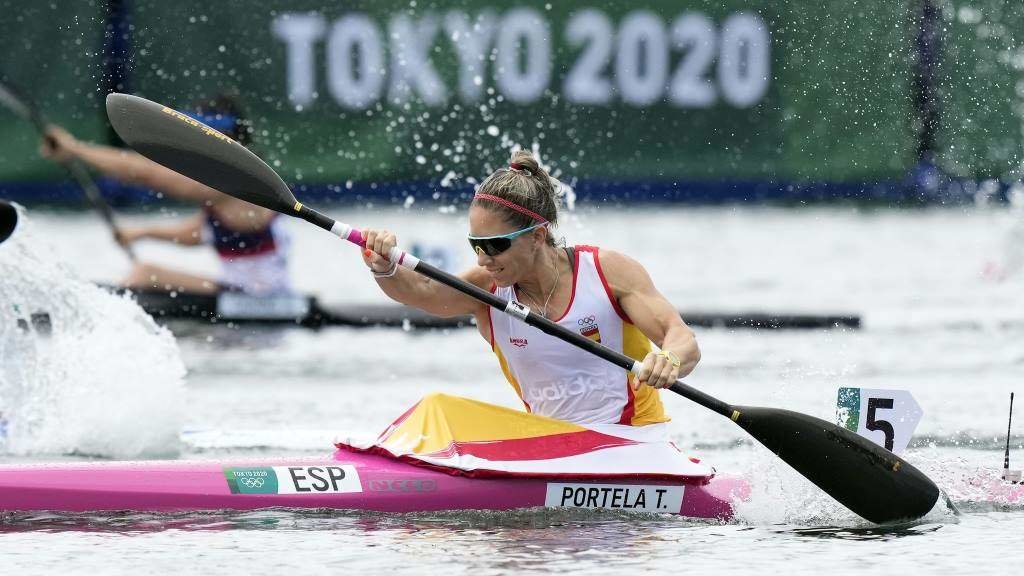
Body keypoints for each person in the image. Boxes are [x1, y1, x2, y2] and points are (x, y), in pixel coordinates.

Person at [361, 151, 700, 429]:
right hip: (552, 447)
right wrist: (384, 266)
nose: (483, 261)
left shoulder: (606, 271)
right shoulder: (487, 292)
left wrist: (668, 359)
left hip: (634, 441)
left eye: (495, 246)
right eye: (476, 245)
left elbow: (681, 338)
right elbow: (421, 290)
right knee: (436, 409)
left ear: (537, 236)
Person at [39, 95, 291, 296]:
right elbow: (199, 233)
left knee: (146, 274)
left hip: (257, 297)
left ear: (226, 138)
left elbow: (145, 173)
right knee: (145, 275)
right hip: (248, 293)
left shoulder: (235, 180)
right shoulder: (240, 184)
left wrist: (75, 149)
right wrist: (142, 233)